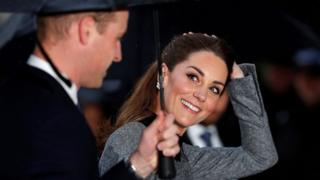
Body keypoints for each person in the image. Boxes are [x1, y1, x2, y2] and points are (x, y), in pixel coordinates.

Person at [0, 1, 180, 179]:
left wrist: (139, 163)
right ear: (86, 31)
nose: (118, 55)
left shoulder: (17, 93)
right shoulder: (58, 124)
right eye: (117, 38)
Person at [99, 33, 278, 179]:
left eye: (214, 89)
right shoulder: (131, 136)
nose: (201, 95)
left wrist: (238, 76)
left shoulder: (190, 159)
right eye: (193, 77)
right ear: (164, 75)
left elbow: (260, 157)